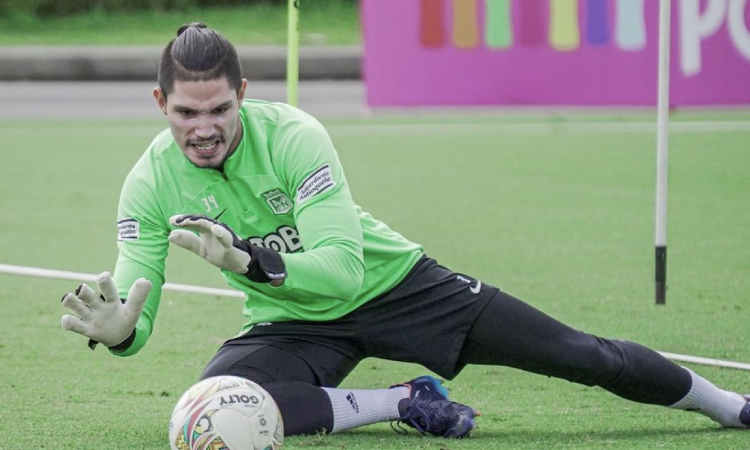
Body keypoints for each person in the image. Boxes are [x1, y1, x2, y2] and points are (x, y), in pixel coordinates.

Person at [59, 23, 750, 439]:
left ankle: (729, 406)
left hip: (398, 287)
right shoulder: (148, 183)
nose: (203, 129)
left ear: (242, 93)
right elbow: (135, 300)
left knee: (579, 354)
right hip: (292, 323)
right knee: (210, 404)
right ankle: (402, 402)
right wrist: (121, 334)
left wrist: (249, 260)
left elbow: (342, 273)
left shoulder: (295, 136)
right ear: (161, 102)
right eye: (185, 113)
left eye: (218, 109)